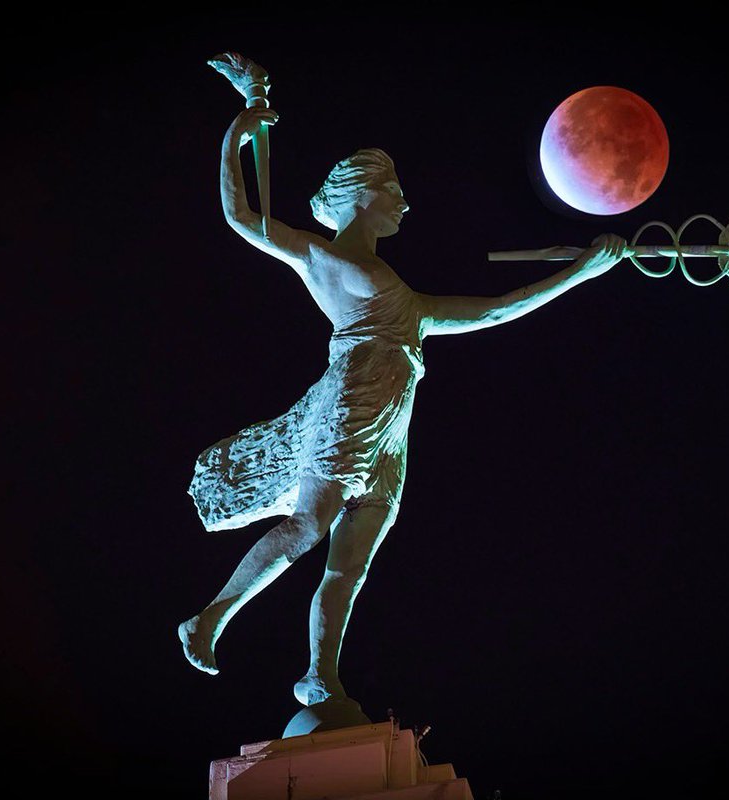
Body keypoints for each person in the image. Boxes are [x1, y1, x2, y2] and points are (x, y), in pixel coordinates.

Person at [179, 105, 628, 707]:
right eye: (395, 192)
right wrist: (239, 129)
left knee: (352, 561)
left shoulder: (409, 301)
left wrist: (580, 274)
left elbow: (495, 310)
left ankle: (321, 676)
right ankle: (209, 618)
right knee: (311, 523)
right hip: (356, 396)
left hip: (394, 419)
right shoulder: (324, 258)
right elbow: (241, 216)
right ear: (360, 194)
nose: (405, 204)